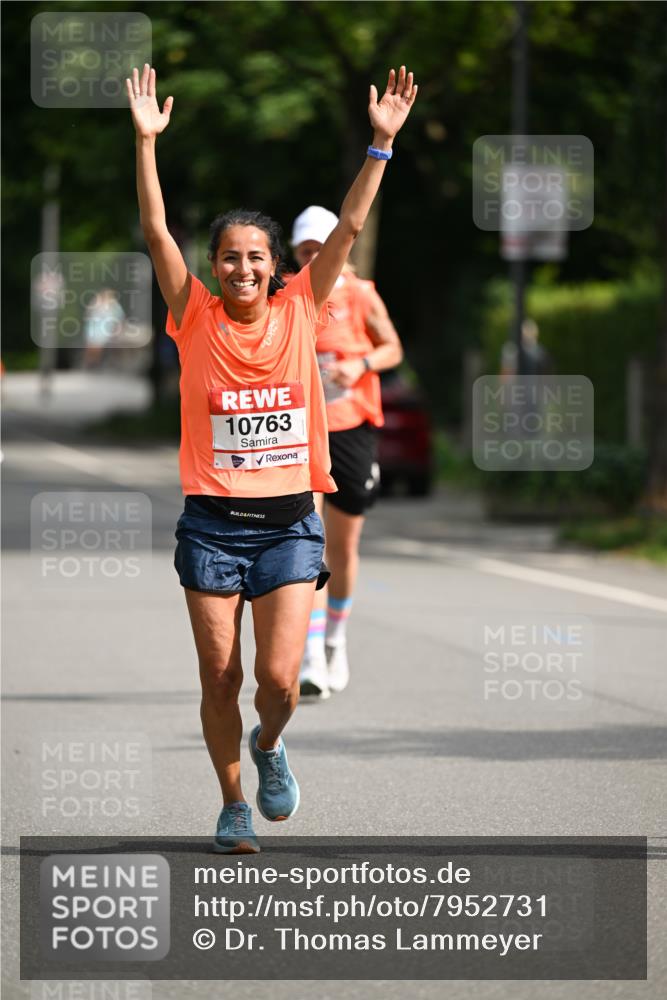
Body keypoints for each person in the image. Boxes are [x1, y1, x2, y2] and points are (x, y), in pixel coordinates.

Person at [126, 63, 417, 852]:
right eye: (229, 257)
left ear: (275, 265)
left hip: (289, 524)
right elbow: (156, 234)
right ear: (214, 265)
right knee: (219, 678)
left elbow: (350, 229)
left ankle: (268, 744)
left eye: (256, 256)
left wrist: (379, 146)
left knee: (278, 683)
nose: (244, 268)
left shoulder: (300, 306)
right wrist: (147, 144)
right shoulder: (192, 314)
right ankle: (230, 805)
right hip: (212, 529)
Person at [291, 206, 403, 699]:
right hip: (302, 431)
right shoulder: (289, 296)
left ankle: (335, 639)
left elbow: (393, 348)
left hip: (352, 426)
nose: (314, 257)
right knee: (309, 543)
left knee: (343, 547)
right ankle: (311, 653)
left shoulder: (360, 294)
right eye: (305, 250)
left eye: (321, 247)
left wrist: (359, 364)